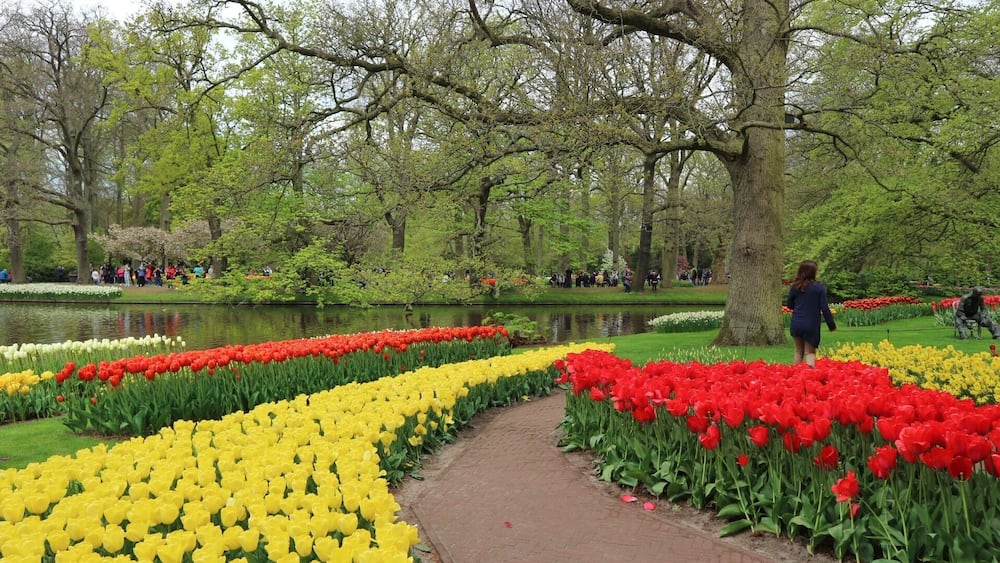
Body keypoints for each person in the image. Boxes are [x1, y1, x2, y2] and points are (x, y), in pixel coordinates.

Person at [786, 260, 836, 367]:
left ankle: (795, 376)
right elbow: (825, 308)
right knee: (809, 352)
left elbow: (789, 305)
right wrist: (831, 325)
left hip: (796, 323)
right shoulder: (819, 288)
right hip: (811, 324)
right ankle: (810, 378)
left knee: (798, 351)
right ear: (813, 272)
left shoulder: (795, 287)